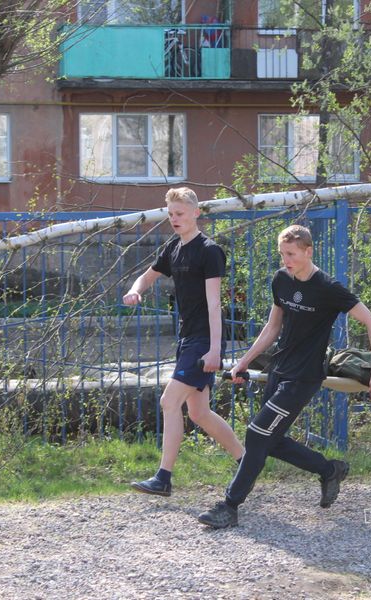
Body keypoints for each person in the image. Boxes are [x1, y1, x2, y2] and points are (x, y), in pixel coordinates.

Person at [196, 224, 371, 529]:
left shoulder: (328, 287)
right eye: (282, 253)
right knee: (271, 441)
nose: (285, 259)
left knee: (257, 434)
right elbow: (273, 327)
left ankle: (230, 505)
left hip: (304, 376)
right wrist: (244, 362)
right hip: (280, 368)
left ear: (308, 251)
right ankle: (329, 469)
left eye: (291, 254)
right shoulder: (281, 280)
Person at [126, 187, 243, 496]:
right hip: (187, 337)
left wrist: (215, 349)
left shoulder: (209, 250)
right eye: (170, 214)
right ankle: (247, 462)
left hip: (204, 341)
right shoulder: (173, 248)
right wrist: (136, 289)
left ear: (196, 213)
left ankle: (163, 478)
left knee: (169, 401)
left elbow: (215, 304)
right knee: (199, 413)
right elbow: (147, 277)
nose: (174, 219)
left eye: (179, 213)